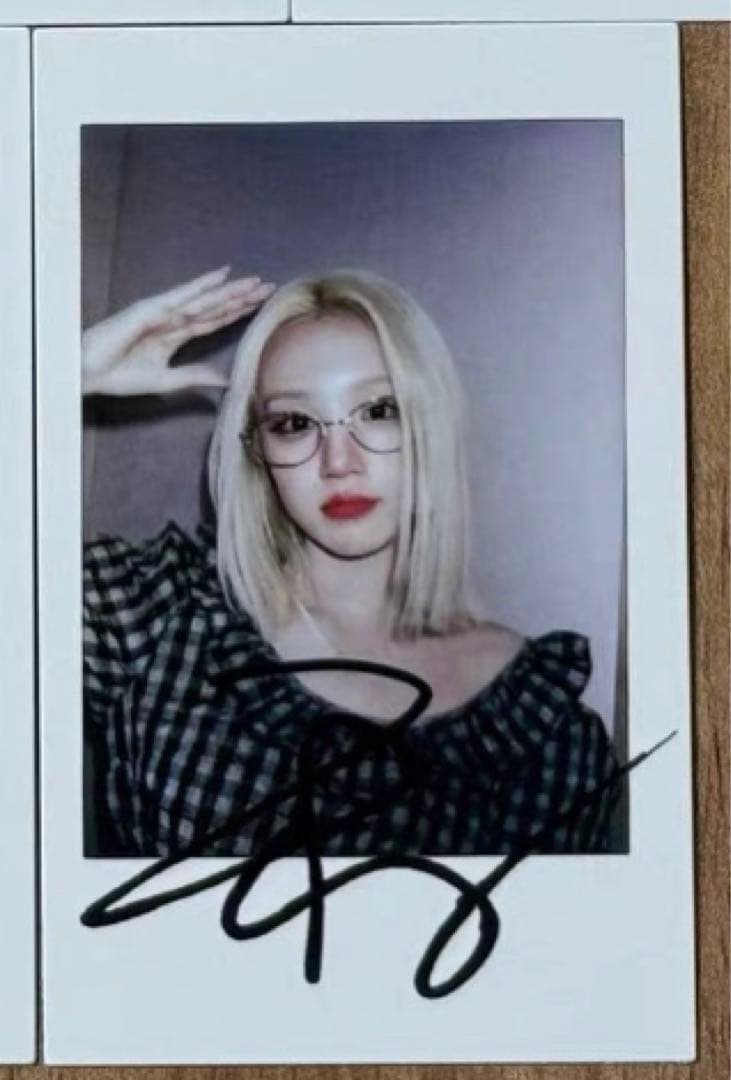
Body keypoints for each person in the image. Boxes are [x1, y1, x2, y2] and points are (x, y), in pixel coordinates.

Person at [83, 265, 621, 857]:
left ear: (432, 424)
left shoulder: (547, 738)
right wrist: (65, 376)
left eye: (379, 410)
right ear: (257, 452)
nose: (339, 462)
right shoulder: (154, 615)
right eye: (294, 423)